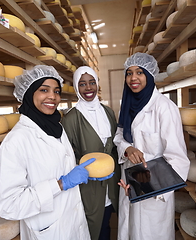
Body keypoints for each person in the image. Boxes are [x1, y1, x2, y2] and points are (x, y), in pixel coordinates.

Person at [0, 65, 94, 240]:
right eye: (44, 90)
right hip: (48, 231)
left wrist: (80, 172)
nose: (53, 97)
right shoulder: (15, 142)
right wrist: (61, 184)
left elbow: (57, 165)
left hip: (74, 223)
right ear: (29, 93)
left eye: (57, 91)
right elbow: (9, 205)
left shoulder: (57, 128)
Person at [114, 52, 190, 240]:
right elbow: (119, 135)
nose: (133, 78)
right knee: (130, 231)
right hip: (130, 183)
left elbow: (178, 158)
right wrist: (127, 148)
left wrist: (145, 185)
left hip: (155, 191)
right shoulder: (128, 105)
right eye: (129, 73)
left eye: (139, 72)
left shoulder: (164, 108)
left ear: (149, 75)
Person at [61, 66, 121, 240]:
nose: (88, 88)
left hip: (111, 181)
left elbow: (116, 145)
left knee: (107, 221)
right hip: (89, 185)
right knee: (93, 226)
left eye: (92, 82)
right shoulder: (71, 118)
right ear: (76, 87)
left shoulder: (108, 112)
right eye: (82, 84)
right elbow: (65, 155)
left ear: (97, 84)